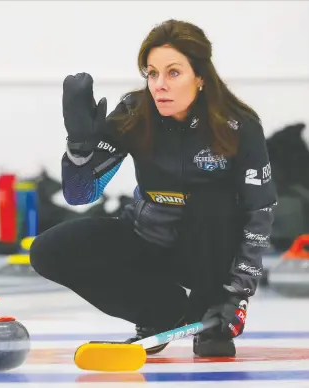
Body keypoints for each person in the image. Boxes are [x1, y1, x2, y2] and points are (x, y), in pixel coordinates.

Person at [29, 19, 277, 358]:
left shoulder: (237, 126)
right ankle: (160, 312)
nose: (159, 85)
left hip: (208, 254)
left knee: (210, 199)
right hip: (149, 239)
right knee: (47, 251)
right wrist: (79, 147)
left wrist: (237, 293)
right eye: (152, 73)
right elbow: (80, 194)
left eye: (173, 73)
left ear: (200, 76)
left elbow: (259, 212)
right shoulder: (135, 113)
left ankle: (209, 305)